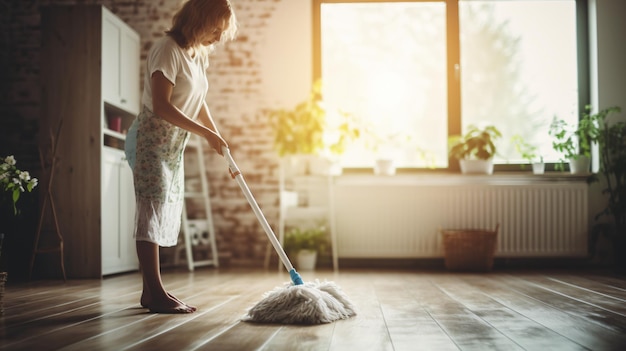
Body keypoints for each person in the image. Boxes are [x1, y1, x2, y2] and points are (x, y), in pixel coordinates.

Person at [124, 0, 238, 314]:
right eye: (215, 30)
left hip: (174, 143)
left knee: (162, 208)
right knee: (151, 210)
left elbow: (199, 101)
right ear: (199, 20)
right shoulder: (167, 49)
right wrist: (205, 134)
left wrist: (217, 136)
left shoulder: (198, 56)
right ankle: (156, 293)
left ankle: (151, 293)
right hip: (151, 140)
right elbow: (161, 106)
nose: (217, 38)